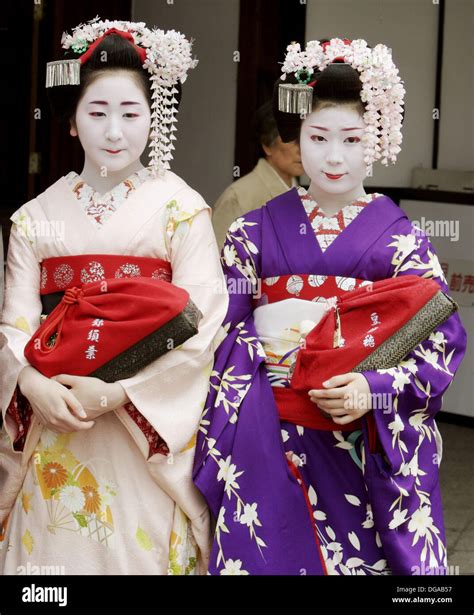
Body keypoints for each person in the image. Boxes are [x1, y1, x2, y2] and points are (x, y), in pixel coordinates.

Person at [193, 38, 467, 575]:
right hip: (269, 432)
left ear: (376, 141)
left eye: (351, 139)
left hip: (358, 439)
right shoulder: (254, 229)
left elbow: (440, 338)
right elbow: (219, 331)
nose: (334, 156)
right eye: (318, 138)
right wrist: (263, 370)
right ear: (297, 137)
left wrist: (375, 387)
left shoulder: (402, 241)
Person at [0, 18, 228, 575]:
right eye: (97, 112)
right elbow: (13, 327)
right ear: (73, 122)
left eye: (131, 114)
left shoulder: (181, 211)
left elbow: (204, 325)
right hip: (56, 421)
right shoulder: (35, 220)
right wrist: (30, 384)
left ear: (154, 119)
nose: (115, 131)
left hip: (138, 431)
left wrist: (122, 391)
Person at [212, 100, 304, 247]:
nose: (302, 148)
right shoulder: (238, 197)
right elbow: (218, 260)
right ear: (267, 145)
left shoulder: (308, 196)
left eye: (307, 138)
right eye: (292, 139)